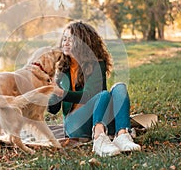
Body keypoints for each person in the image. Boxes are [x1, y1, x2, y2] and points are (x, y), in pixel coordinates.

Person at [48, 21, 141, 157]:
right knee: (103, 95)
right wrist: (52, 92)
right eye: (64, 39)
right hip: (75, 124)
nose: (65, 43)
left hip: (100, 118)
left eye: (71, 39)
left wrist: (62, 93)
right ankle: (99, 139)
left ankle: (122, 135)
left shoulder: (97, 64)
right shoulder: (62, 69)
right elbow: (53, 110)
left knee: (120, 87)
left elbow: (90, 95)